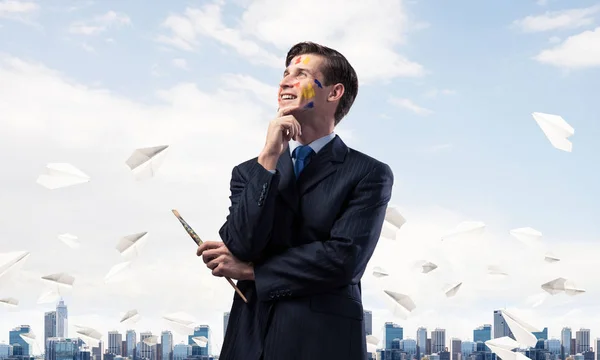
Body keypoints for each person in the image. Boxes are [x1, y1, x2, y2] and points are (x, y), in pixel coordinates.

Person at [197, 41, 394, 360]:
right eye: (284, 73)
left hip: (321, 341)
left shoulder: (367, 173)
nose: (284, 81)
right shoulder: (250, 171)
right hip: (249, 339)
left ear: (334, 93)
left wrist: (252, 272)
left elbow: (343, 260)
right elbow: (242, 244)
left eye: (300, 73)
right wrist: (269, 156)